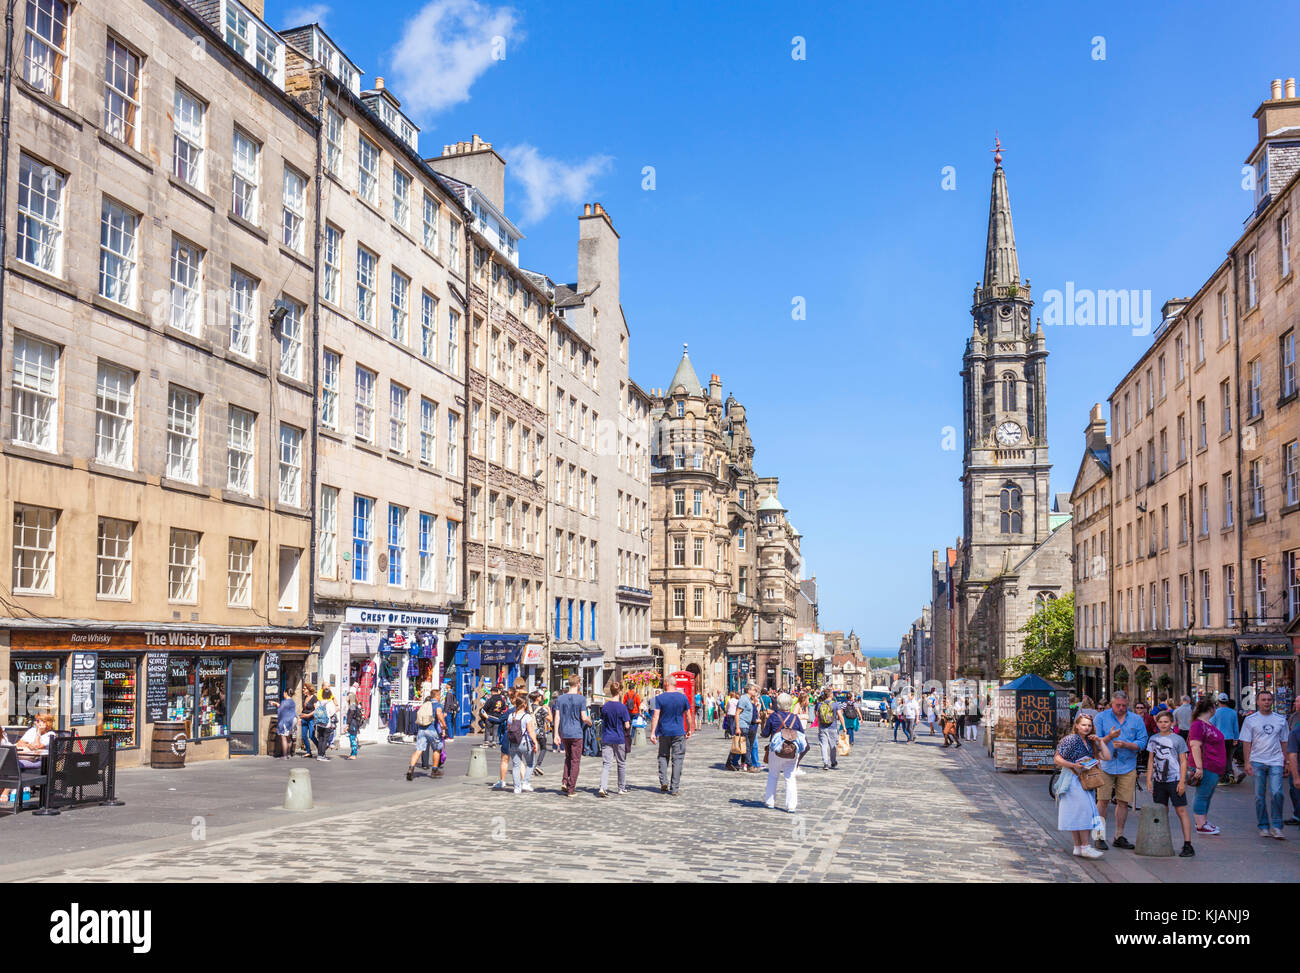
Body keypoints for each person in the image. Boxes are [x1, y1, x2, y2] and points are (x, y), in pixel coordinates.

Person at [1092, 690, 1148, 851]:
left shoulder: (1136, 720)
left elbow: (1143, 741)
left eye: (1124, 705)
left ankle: (1119, 835)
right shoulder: (1101, 718)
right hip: (1106, 764)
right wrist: (1109, 737)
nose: (1121, 708)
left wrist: (1127, 745)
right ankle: (1099, 836)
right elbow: (1095, 742)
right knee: (1102, 800)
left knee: (1123, 801)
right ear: (1112, 704)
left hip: (1127, 764)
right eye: (1118, 705)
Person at [1054, 712, 1113, 858]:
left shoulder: (1090, 741)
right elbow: (1057, 758)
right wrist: (1073, 764)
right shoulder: (1071, 739)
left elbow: (1107, 756)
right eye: (1083, 725)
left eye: (1089, 725)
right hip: (1073, 778)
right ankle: (1085, 846)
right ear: (1077, 725)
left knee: (1079, 811)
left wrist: (1100, 741)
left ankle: (1078, 847)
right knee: (1085, 811)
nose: (1086, 728)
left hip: (1086, 780)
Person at [1145, 709, 1195, 857]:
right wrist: (1149, 779)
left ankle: (1188, 844)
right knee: (1161, 811)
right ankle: (1162, 840)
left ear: (1171, 723)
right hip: (1159, 781)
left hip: (1174, 780)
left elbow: (1183, 761)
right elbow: (1151, 759)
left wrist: (1182, 781)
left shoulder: (1178, 739)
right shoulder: (1153, 739)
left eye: (1166, 722)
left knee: (1181, 811)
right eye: (1160, 722)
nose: (1163, 724)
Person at [1241, 689, 1288, 839]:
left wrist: (1286, 760)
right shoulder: (1251, 720)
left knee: (1277, 793)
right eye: (1264, 700)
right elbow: (1246, 742)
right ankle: (1263, 826)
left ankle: (1276, 826)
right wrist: (1247, 762)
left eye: (1269, 699)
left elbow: (1284, 741)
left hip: (1276, 760)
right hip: (1257, 760)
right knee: (1259, 796)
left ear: (1272, 701)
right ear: (1258, 702)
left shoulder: (1281, 720)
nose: (1266, 702)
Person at [1188, 697, 1227, 836]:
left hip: (1213, 765)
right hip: (1206, 764)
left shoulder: (1207, 724)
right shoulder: (1198, 725)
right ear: (1211, 709)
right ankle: (1200, 824)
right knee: (1202, 794)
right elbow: (1195, 745)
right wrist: (1199, 767)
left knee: (1207, 794)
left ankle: (1203, 820)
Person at [762, 692, 804, 813]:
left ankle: (770, 801)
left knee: (773, 775)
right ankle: (791, 805)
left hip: (776, 750)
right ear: (790, 704)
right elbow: (801, 733)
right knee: (790, 777)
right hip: (792, 750)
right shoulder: (795, 717)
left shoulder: (774, 717)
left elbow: (765, 733)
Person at [650, 680, 693, 796]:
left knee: (663, 757)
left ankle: (664, 781)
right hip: (679, 732)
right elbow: (688, 715)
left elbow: (655, 716)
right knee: (677, 759)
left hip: (664, 732)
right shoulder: (683, 698)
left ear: (666, 684)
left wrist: (653, 732)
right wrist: (689, 729)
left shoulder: (659, 698)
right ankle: (674, 788)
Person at [553, 675, 591, 797]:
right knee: (575, 761)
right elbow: (584, 717)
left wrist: (556, 734)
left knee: (567, 758)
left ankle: (564, 781)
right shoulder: (581, 699)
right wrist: (590, 723)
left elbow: (557, 717)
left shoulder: (560, 699)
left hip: (564, 732)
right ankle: (571, 788)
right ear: (578, 683)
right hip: (576, 733)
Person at [598, 680, 632, 798]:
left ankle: (603, 787)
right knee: (621, 763)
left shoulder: (605, 706)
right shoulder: (622, 707)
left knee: (606, 764)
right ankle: (621, 788)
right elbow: (627, 725)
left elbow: (602, 720)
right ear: (620, 692)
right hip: (619, 738)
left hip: (607, 737)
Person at [407, 686, 448, 780]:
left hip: (421, 730)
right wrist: (444, 725)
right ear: (437, 696)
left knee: (419, 750)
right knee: (436, 749)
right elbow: (438, 714)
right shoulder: (438, 705)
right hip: (432, 730)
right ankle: (434, 770)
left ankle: (411, 769)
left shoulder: (425, 704)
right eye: (439, 695)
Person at [504, 693, 538, 794]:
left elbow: (508, 728)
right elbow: (531, 731)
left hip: (513, 743)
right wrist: (535, 742)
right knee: (530, 763)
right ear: (525, 705)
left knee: (516, 766)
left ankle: (516, 788)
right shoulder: (527, 717)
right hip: (525, 743)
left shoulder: (511, 716)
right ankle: (525, 782)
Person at [1211, 692, 1241, 783]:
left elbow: (1212, 725)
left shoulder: (1215, 712)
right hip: (1230, 738)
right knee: (1229, 757)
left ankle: (1223, 777)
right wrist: (1236, 738)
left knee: (1220, 758)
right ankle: (1230, 773)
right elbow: (1236, 727)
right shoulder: (1233, 712)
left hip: (1219, 739)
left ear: (1218, 701)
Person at [727, 686, 757, 771]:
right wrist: (737, 727)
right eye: (754, 690)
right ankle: (750, 766)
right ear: (749, 690)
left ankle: (729, 763)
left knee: (737, 745)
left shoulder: (748, 699)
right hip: (742, 725)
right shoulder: (744, 699)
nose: (755, 691)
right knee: (746, 746)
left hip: (745, 725)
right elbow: (737, 713)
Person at [815, 689, 844, 770]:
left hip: (822, 728)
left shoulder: (819, 704)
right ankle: (833, 761)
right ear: (831, 695)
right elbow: (840, 716)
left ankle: (825, 763)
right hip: (832, 727)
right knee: (833, 746)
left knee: (823, 746)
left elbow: (817, 717)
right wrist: (844, 727)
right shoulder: (835, 704)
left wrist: (819, 727)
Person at [529, 691, 549, 777]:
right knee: (543, 748)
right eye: (540, 696)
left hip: (530, 731)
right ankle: (538, 765)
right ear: (537, 698)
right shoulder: (541, 709)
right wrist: (548, 709)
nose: (541, 697)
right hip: (540, 732)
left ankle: (531, 766)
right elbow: (550, 719)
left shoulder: (528, 708)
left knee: (532, 749)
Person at [313, 688, 337, 761]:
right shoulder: (330, 703)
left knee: (320, 739)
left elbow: (316, 713)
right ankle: (322, 755)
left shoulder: (318, 703)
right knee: (325, 740)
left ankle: (319, 755)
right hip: (327, 724)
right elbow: (332, 713)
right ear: (330, 695)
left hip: (319, 723)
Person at [276, 689, 297, 758]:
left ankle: (284, 755)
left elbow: (280, 711)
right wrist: (277, 704)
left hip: (286, 721)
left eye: (283, 692)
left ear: (285, 693)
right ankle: (288, 754)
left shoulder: (284, 702)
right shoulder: (292, 702)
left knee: (284, 737)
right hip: (293, 720)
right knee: (289, 738)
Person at [299, 682, 317, 757]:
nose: (303, 689)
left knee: (311, 736)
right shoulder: (304, 697)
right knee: (303, 736)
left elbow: (316, 710)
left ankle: (321, 748)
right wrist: (300, 718)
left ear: (309, 689)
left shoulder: (314, 698)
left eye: (305, 688)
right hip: (304, 719)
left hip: (311, 719)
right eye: (303, 688)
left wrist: (308, 715)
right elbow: (303, 709)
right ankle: (308, 752)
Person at [344, 692, 362, 760]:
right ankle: (352, 753)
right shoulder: (354, 705)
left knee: (352, 739)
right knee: (352, 738)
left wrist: (347, 725)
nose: (346, 697)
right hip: (354, 723)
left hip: (352, 724)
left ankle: (354, 754)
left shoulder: (352, 705)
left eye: (347, 696)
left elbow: (351, 716)